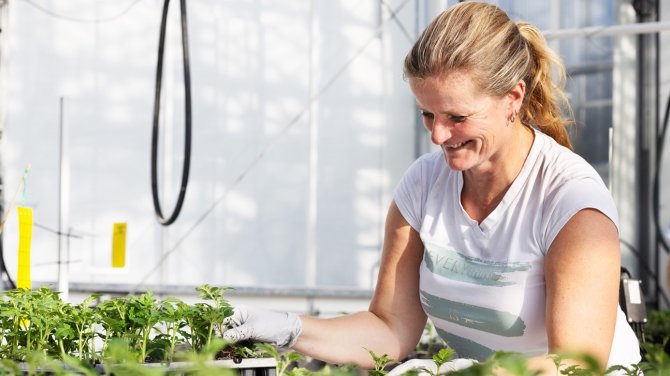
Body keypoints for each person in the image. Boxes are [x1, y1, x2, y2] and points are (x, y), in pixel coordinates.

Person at [223, 2, 641, 373]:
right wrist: (290, 327)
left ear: (513, 99)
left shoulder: (569, 201)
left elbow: (575, 364)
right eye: (427, 114)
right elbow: (390, 329)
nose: (438, 136)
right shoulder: (424, 185)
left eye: (457, 117)